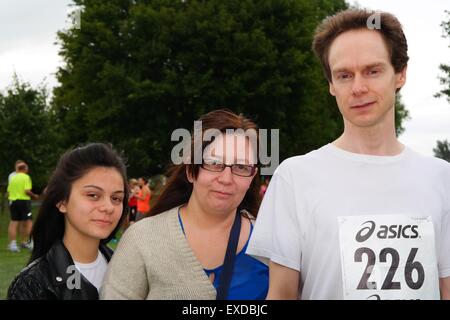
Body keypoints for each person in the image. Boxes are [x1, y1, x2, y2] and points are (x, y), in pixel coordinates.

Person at [247, 9, 450, 300]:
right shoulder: (295, 178)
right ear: (331, 85)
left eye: (372, 70)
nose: (358, 88)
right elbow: (280, 295)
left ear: (400, 74)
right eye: (344, 75)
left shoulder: (441, 178)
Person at [101, 109, 269, 300]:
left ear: (252, 176)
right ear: (190, 170)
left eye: (241, 167)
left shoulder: (269, 247)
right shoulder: (142, 239)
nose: (226, 178)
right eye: (213, 163)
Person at [7, 143, 129, 300]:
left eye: (116, 198)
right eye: (93, 195)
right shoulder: (32, 286)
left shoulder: (130, 270)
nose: (108, 207)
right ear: (62, 201)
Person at [7, 162, 39, 252]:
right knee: (29, 221)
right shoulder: (26, 177)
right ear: (24, 169)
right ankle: (29, 242)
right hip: (24, 201)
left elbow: (8, 192)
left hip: (13, 201)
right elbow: (27, 191)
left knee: (14, 222)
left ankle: (13, 244)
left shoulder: (13, 178)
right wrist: (34, 196)